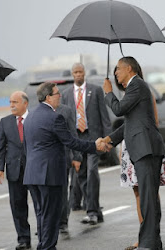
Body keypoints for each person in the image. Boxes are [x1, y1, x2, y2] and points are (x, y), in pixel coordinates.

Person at [23, 82, 107, 250]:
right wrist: (94, 146)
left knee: (42, 214)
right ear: (48, 97)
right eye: (56, 94)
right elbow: (70, 141)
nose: (60, 96)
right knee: (51, 215)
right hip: (49, 175)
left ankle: (43, 246)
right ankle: (47, 247)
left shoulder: (30, 116)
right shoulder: (55, 117)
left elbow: (27, 146)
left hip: (32, 174)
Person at [103, 57, 165, 250]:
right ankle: (152, 242)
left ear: (129, 69)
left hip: (146, 149)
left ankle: (148, 243)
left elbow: (118, 109)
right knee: (148, 198)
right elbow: (130, 123)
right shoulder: (134, 88)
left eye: (118, 70)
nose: (115, 74)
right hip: (142, 149)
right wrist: (109, 140)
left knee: (148, 198)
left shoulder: (136, 85)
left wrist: (108, 93)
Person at [61, 63, 111, 224]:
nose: (78, 75)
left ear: (84, 73)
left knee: (92, 172)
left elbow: (104, 116)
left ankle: (91, 211)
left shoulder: (95, 90)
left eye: (80, 72)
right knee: (80, 174)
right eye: (75, 72)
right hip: (76, 138)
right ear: (72, 74)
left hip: (93, 137)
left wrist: (108, 139)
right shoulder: (66, 94)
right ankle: (94, 211)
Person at [0, 91, 31, 250]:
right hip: (14, 170)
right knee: (18, 205)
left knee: (40, 204)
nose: (11, 105)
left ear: (25, 103)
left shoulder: (34, 119)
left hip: (34, 168)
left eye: (15, 102)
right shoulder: (5, 122)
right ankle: (23, 238)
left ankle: (45, 234)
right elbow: (0, 147)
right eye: (10, 102)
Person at [56, 103, 82, 234]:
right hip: (44, 159)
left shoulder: (66, 110)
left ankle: (62, 221)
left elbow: (72, 133)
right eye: (55, 94)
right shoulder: (38, 110)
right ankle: (47, 223)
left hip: (63, 157)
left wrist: (77, 156)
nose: (59, 96)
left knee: (62, 191)